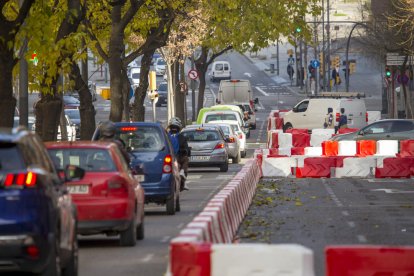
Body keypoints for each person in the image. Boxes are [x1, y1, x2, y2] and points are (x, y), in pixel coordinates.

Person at [167, 117, 190, 191]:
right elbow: (186, 148)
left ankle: (182, 174)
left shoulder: (166, 136)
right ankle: (183, 175)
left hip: (169, 157)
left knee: (185, 160)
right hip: (173, 158)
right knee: (185, 160)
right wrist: (186, 151)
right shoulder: (181, 137)